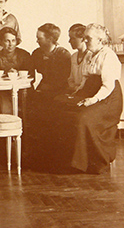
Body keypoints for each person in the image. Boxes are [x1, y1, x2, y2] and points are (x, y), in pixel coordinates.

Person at [51, 24, 122, 174]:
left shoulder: (108, 55)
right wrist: (75, 95)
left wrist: (92, 100)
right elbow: (85, 79)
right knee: (64, 109)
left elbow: (107, 86)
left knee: (83, 118)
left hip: (107, 98)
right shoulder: (90, 54)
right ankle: (68, 160)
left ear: (100, 40)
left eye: (88, 38)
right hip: (90, 92)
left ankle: (92, 162)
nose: (85, 40)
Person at [0, 27, 32, 114]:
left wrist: (17, 74)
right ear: (1, 42)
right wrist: (6, 75)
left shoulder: (24, 55)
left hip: (22, 89)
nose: (11, 44)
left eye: (13, 40)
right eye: (7, 41)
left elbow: (32, 76)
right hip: (2, 90)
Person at [31, 23, 71, 100]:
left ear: (50, 39)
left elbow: (65, 79)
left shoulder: (63, 55)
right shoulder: (37, 53)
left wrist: (48, 87)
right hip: (44, 87)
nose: (37, 41)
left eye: (40, 38)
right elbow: (29, 70)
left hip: (60, 90)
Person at [67, 23, 92, 92]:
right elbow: (71, 79)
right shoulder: (73, 57)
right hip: (75, 91)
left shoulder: (91, 56)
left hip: (87, 92)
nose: (69, 41)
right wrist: (74, 88)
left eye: (72, 38)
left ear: (83, 39)